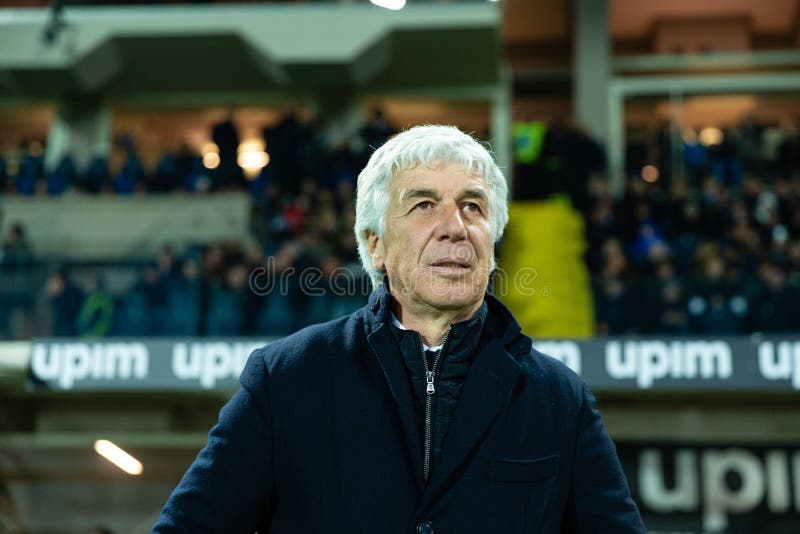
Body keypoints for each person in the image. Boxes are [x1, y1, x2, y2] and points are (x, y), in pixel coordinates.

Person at [153, 125, 645, 533]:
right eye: (424, 205)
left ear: (492, 241)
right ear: (376, 245)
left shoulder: (561, 400)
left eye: (473, 206)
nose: (456, 226)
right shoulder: (285, 379)